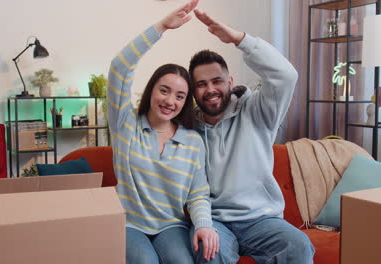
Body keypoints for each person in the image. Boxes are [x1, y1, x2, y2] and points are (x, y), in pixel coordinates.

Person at [188, 9, 315, 264]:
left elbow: (286, 76)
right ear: (193, 90)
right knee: (209, 253)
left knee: (299, 246)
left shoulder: (258, 111)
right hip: (214, 221)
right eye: (201, 84)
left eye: (217, 81)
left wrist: (239, 39)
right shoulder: (188, 129)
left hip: (262, 220)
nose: (210, 89)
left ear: (230, 81)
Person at [106, 1, 218, 263]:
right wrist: (162, 27)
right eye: (164, 90)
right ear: (151, 90)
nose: (170, 101)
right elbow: (119, 67)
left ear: (185, 102)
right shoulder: (125, 123)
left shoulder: (192, 141)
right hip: (128, 224)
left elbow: (198, 194)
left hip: (171, 226)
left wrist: (204, 224)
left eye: (180, 96)